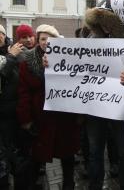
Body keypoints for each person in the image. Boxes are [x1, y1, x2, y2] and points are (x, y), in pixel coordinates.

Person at [83, 3, 124, 190]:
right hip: (95, 107)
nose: (104, 26)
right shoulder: (90, 41)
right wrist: (52, 62)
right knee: (95, 152)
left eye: (107, 22)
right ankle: (95, 186)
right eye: (99, 23)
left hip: (122, 106)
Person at [16, 24, 80, 190]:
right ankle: (34, 183)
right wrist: (26, 119)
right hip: (40, 118)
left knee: (67, 155)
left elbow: (77, 85)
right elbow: (24, 92)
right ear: (38, 40)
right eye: (43, 39)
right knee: (36, 156)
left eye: (50, 39)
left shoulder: (69, 59)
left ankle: (68, 183)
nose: (46, 42)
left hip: (64, 117)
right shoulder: (28, 61)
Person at [0, 25, 26, 189]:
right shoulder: (12, 54)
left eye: (0, 33)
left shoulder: (17, 51)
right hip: (2, 116)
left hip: (16, 113)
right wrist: (10, 57)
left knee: (20, 158)